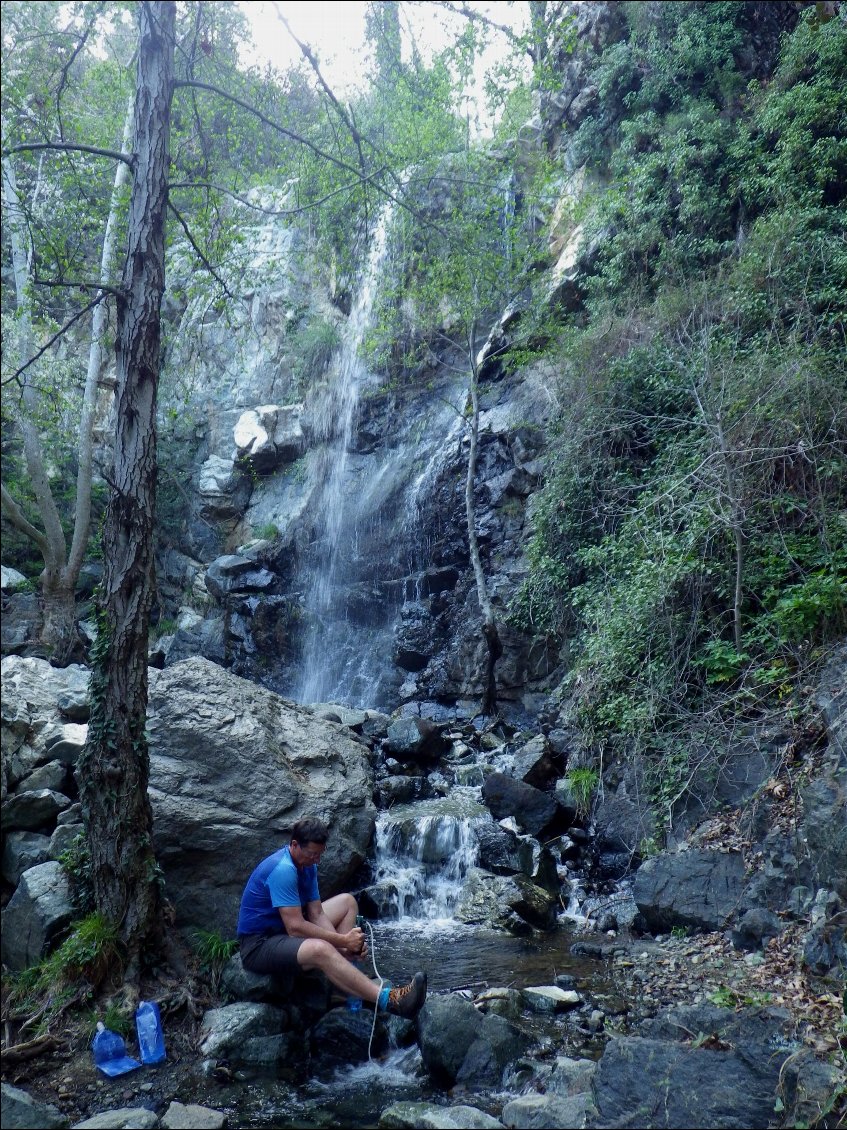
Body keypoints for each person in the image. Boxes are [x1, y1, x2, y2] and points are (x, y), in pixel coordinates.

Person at [236, 815, 427, 1018]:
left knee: (347, 903)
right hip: (259, 945)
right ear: (294, 845)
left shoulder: (307, 866)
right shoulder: (283, 870)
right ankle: (390, 1001)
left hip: (283, 932)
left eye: (320, 855)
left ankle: (343, 989)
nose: (316, 860)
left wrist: (346, 948)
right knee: (321, 949)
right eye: (312, 854)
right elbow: (295, 927)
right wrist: (343, 940)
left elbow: (316, 913)